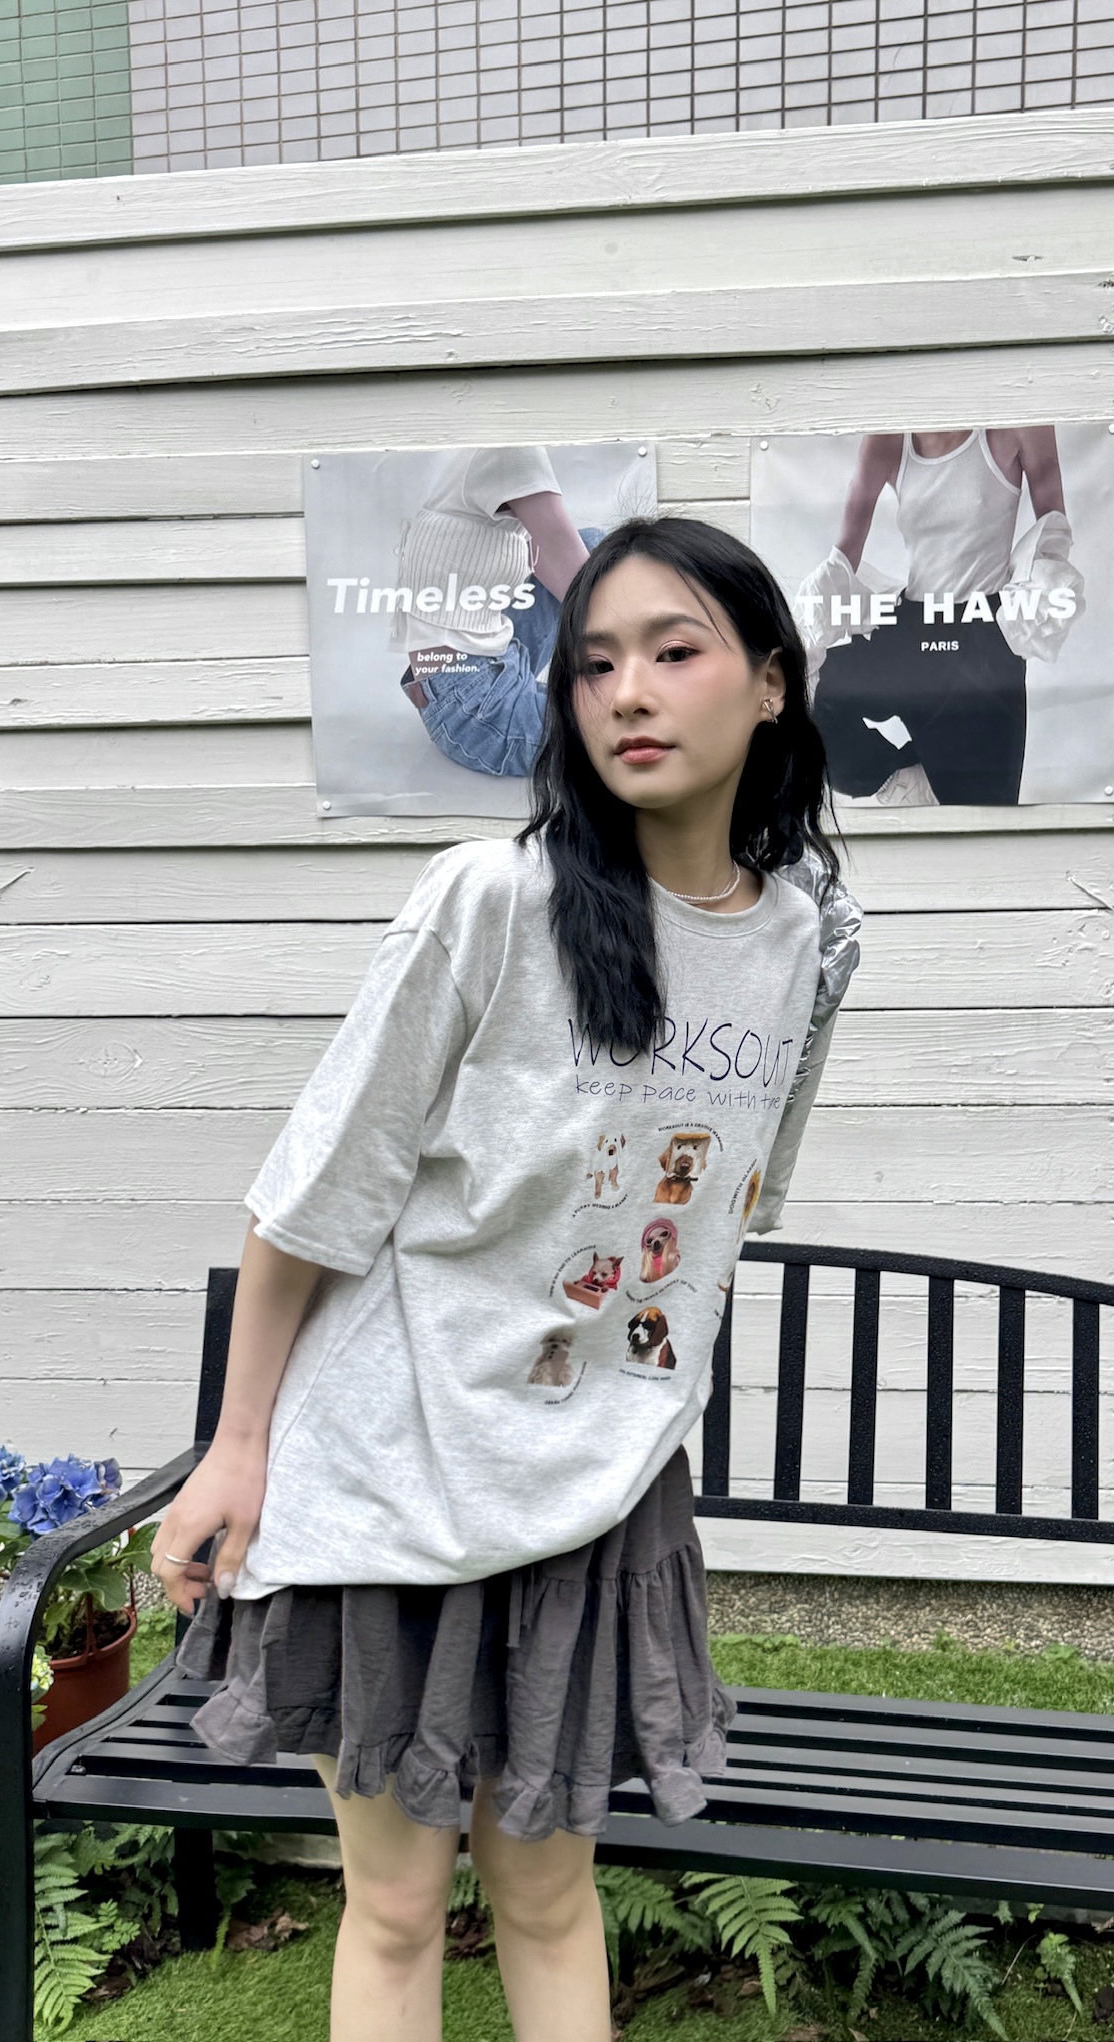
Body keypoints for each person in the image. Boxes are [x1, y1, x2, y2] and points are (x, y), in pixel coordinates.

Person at [150, 512, 864, 2042]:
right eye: (594, 662)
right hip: (390, 1470)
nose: (628, 691)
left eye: (674, 651)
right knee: (399, 1905)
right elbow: (315, 1193)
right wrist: (239, 1442)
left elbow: (730, 1207)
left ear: (770, 683)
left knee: (548, 1895)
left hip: (596, 1490)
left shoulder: (804, 942)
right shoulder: (490, 898)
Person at [797, 425, 1084, 806]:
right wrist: (810, 630)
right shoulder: (886, 441)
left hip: (983, 636)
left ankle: (943, 773)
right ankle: (905, 779)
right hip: (913, 628)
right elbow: (844, 555)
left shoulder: (1018, 429)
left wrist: (1026, 616)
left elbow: (1053, 532)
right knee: (807, 702)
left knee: (985, 811)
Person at [387, 444, 601, 780]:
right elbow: (581, 582)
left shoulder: (481, 450)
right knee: (618, 727)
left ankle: (599, 683)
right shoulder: (512, 451)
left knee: (593, 545)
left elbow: (550, 558)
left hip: (483, 662)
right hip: (469, 704)